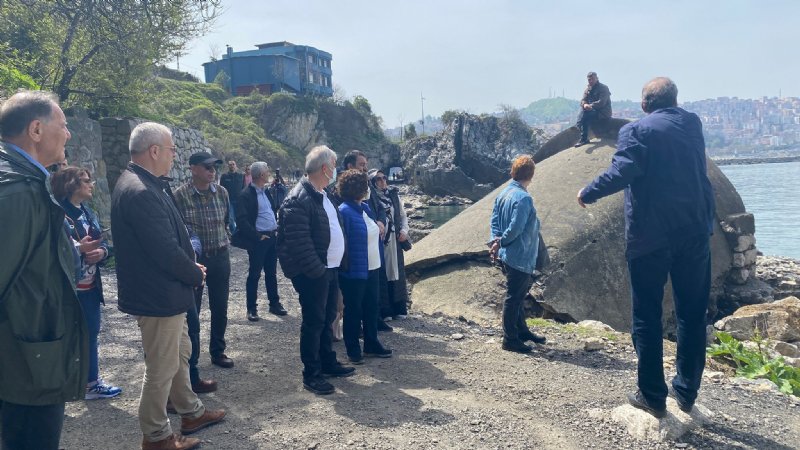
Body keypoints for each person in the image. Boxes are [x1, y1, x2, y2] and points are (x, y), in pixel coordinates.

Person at [577, 77, 715, 418]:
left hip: (650, 239)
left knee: (647, 316)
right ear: (675, 99)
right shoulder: (691, 123)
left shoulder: (636, 132)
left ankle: (652, 394)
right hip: (695, 232)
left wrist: (587, 192)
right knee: (692, 314)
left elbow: (623, 170)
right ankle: (686, 392)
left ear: (643, 105)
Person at [112, 122, 225, 450]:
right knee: (161, 366)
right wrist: (194, 272)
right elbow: (163, 251)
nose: (175, 156)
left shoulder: (143, 183)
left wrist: (189, 267)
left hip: (163, 292)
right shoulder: (141, 190)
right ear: (154, 151)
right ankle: (157, 435)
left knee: (180, 352)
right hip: (158, 294)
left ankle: (190, 411)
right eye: (172, 149)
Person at [0, 91, 87, 450]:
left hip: (29, 353)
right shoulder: (16, 191)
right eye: (63, 126)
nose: (68, 135)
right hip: (25, 361)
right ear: (36, 130)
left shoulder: (23, 181)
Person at [277, 145, 355, 395]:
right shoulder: (298, 198)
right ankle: (311, 373)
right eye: (334, 166)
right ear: (325, 168)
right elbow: (299, 242)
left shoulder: (323, 193)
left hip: (329, 269)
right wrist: (318, 271)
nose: (336, 171)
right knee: (314, 321)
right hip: (314, 272)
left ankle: (327, 361)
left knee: (328, 317)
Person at [51, 166, 123, 400]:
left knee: (91, 333)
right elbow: (52, 248)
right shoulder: (56, 212)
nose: (91, 185)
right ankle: (60, 385)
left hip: (90, 287)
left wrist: (101, 252)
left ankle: (91, 382)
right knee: (63, 337)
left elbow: (104, 242)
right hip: (67, 289)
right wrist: (80, 249)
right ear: (70, 185)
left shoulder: (87, 211)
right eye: (85, 181)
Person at [174, 152, 235, 369]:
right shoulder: (179, 196)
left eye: (214, 167)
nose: (212, 171)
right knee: (193, 311)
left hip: (220, 256)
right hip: (195, 261)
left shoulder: (222, 193)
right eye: (207, 167)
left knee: (221, 307)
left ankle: (218, 352)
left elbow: (227, 220)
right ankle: (193, 360)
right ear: (193, 168)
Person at [488, 155, 548, 354]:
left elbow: (494, 221)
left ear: (513, 172)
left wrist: (496, 241)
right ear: (531, 174)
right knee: (514, 297)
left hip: (507, 254)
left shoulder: (503, 193)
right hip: (520, 254)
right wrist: (502, 241)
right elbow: (516, 228)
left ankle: (521, 331)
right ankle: (509, 339)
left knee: (519, 295)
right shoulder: (523, 198)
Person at [337, 169, 393, 364]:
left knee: (371, 307)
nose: (369, 188)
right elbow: (344, 243)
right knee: (353, 310)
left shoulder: (365, 208)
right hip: (355, 271)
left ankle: (371, 343)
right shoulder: (344, 211)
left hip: (373, 266)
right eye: (366, 185)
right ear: (358, 189)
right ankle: (353, 349)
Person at [236, 161, 287, 320]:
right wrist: (257, 236)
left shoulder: (266, 192)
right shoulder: (245, 195)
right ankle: (251, 308)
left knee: (271, 273)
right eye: (267, 171)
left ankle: (274, 304)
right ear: (261, 175)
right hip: (259, 240)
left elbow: (271, 211)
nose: (269, 172)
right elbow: (242, 221)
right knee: (254, 274)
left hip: (271, 237)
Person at [369, 169, 410, 320]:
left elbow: (403, 216)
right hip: (380, 241)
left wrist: (404, 231)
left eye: (384, 178)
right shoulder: (370, 198)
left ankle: (398, 308)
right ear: (372, 182)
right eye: (378, 179)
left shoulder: (393, 195)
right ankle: (385, 311)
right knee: (383, 273)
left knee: (396, 272)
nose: (382, 181)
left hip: (395, 240)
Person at [575, 71, 612, 147]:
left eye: (592, 79)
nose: (591, 81)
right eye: (589, 80)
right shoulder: (588, 89)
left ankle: (583, 137)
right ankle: (579, 125)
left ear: (597, 79)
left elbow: (602, 102)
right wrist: (585, 104)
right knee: (583, 109)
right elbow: (583, 100)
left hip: (602, 112)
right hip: (592, 111)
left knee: (586, 114)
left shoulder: (603, 88)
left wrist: (590, 106)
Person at [219, 160, 244, 234]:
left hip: (239, 201)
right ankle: (234, 234)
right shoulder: (224, 176)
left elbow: (244, 187)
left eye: (233, 164)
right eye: (230, 164)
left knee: (239, 218)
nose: (232, 166)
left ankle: (240, 233)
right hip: (229, 201)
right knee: (231, 219)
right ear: (228, 166)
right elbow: (221, 189)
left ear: (236, 165)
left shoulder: (241, 176)